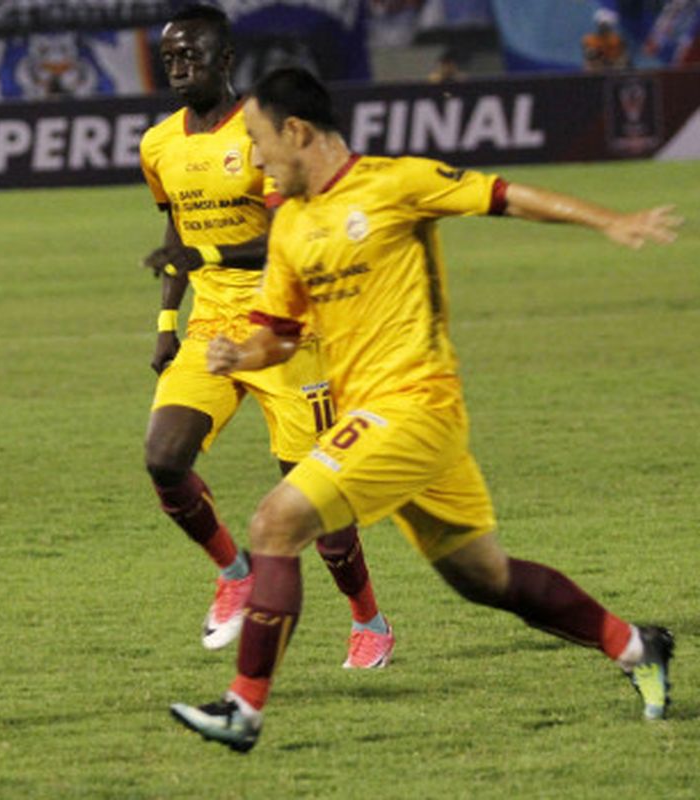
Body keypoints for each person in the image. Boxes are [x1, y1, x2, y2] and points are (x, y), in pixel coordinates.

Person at [169, 66, 681, 752]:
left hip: (416, 405)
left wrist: (610, 219)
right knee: (485, 579)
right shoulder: (290, 225)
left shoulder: (394, 181)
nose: (255, 160)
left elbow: (503, 196)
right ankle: (637, 646)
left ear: (296, 132)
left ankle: (243, 709)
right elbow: (280, 332)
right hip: (385, 426)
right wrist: (242, 354)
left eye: (260, 141)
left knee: (276, 518)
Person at [139, 4, 394, 667]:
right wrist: (168, 320)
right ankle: (233, 574)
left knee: (315, 499)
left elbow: (286, 239)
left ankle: (368, 619)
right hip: (212, 329)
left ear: (226, 62)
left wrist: (210, 260)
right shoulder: (158, 144)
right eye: (170, 57)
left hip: (287, 333)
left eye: (191, 55)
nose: (179, 67)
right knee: (164, 459)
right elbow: (178, 234)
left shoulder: (268, 134)